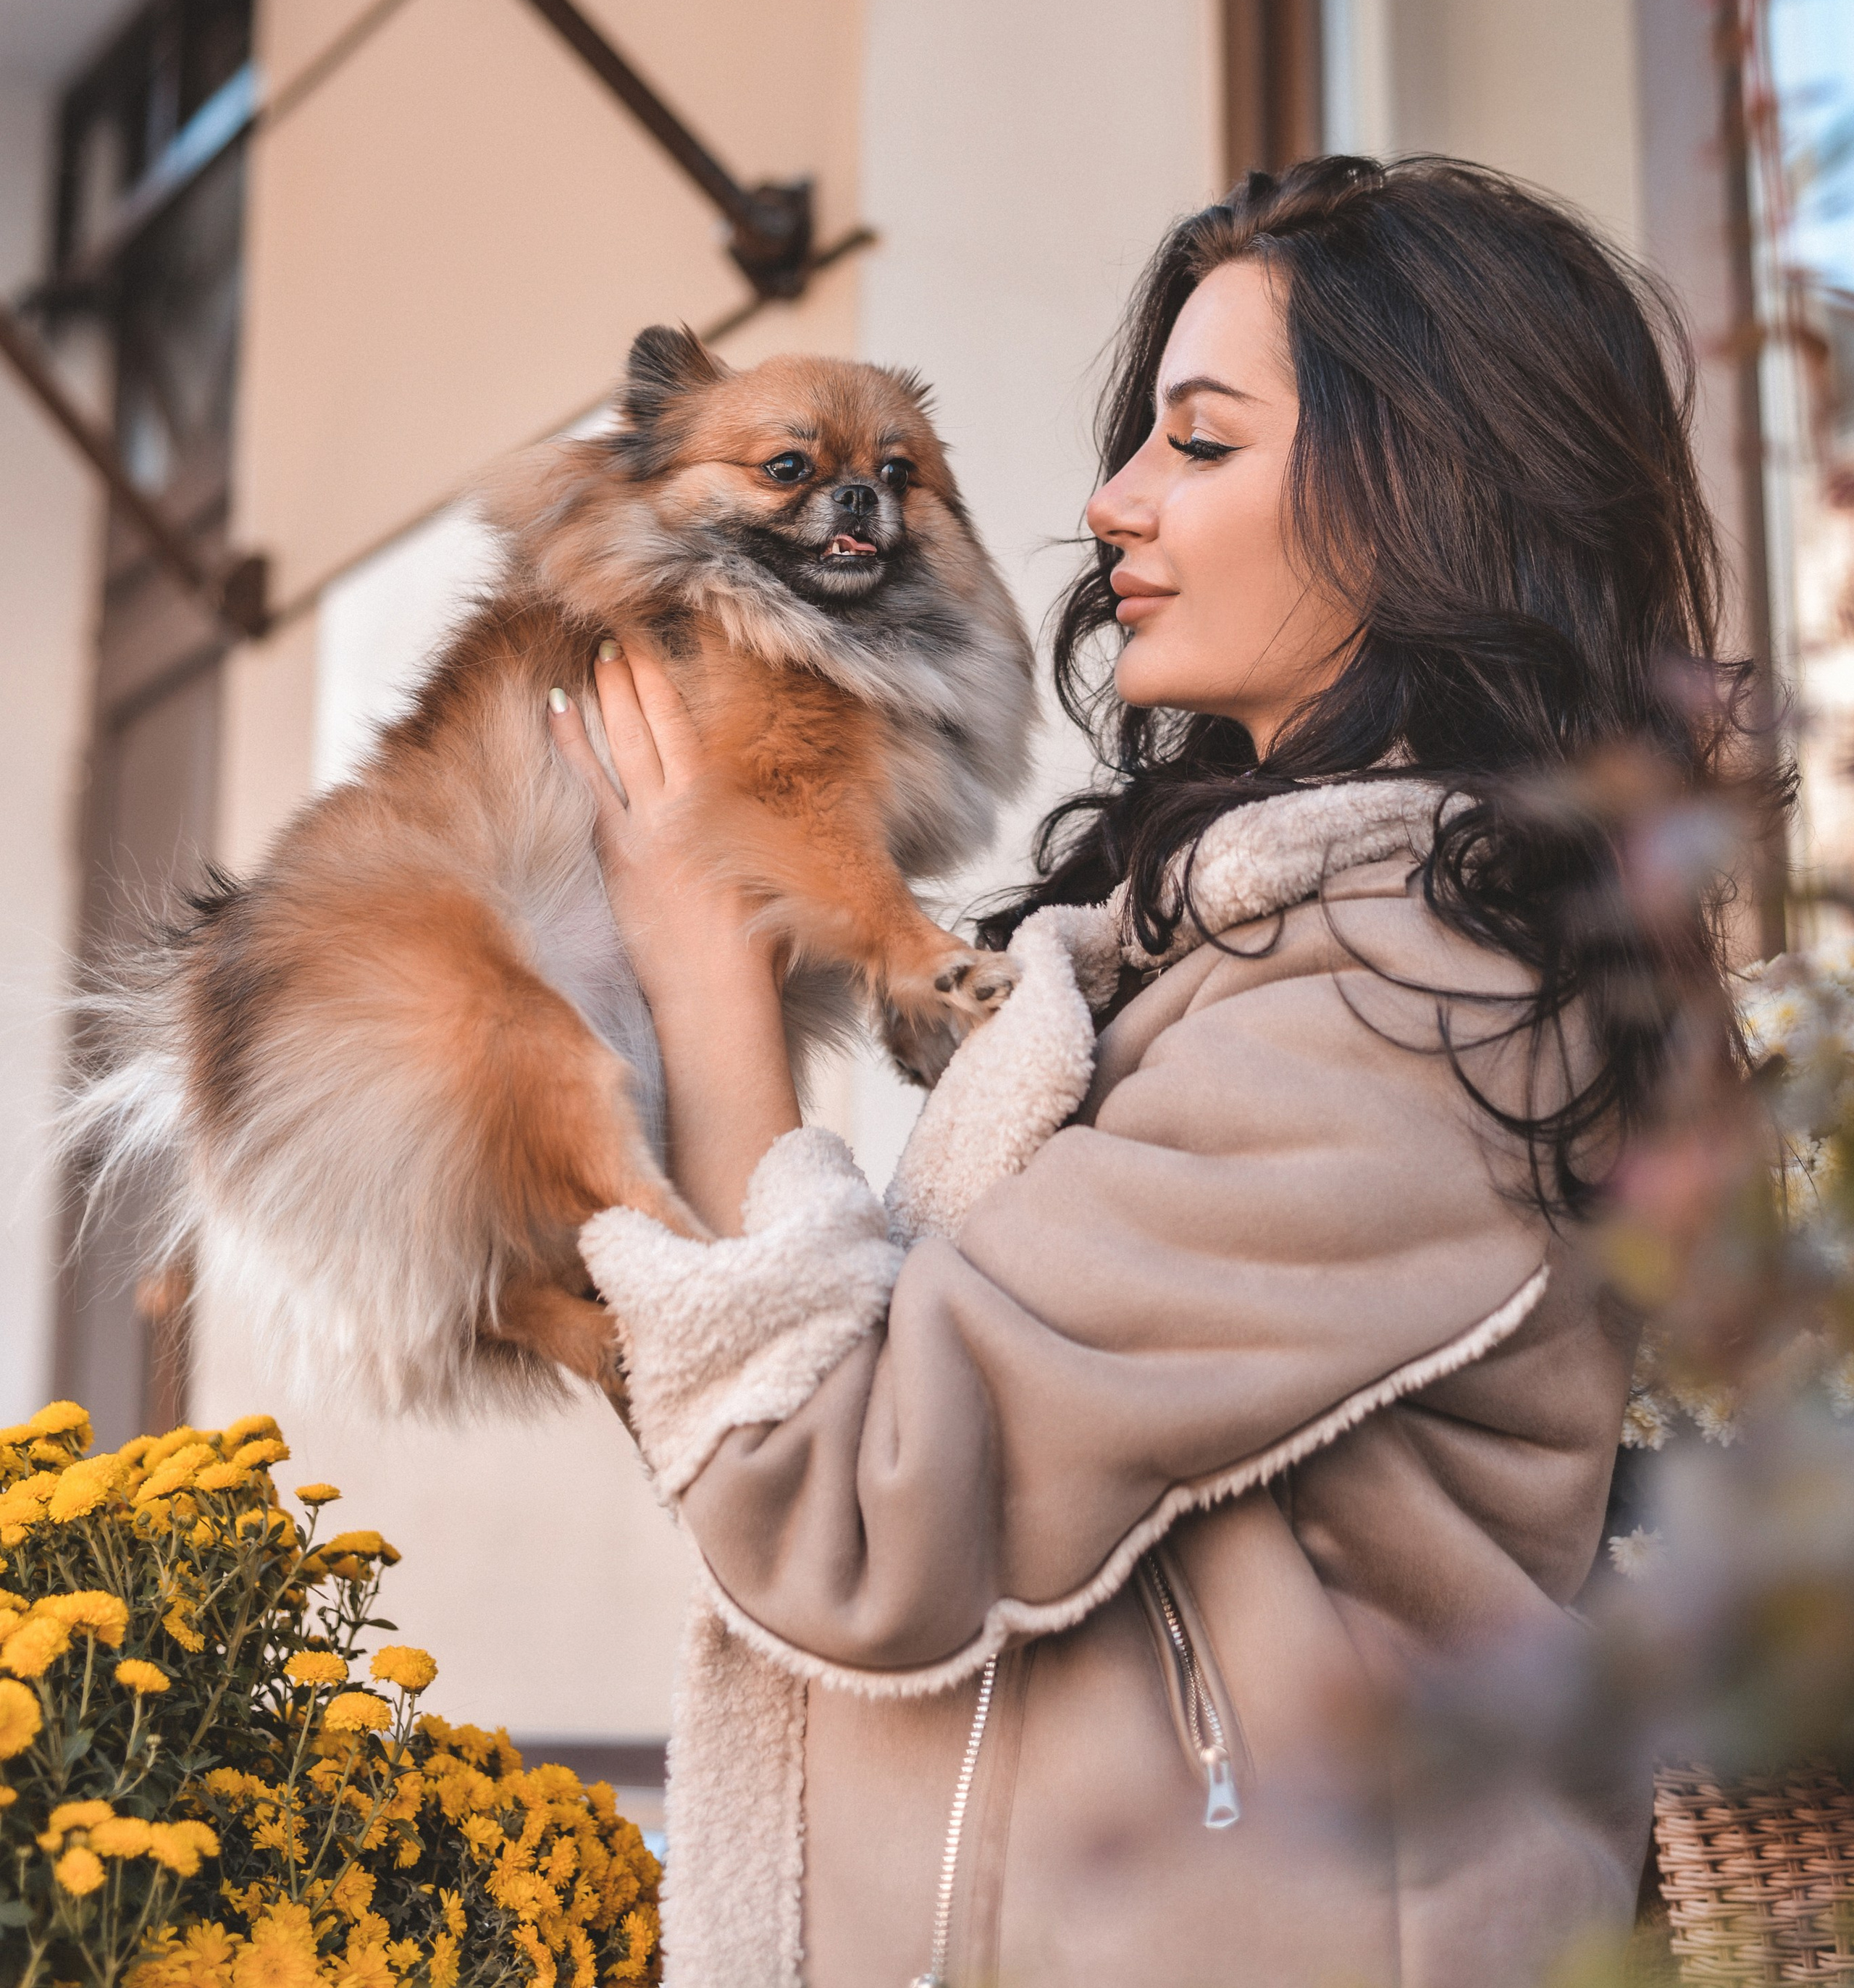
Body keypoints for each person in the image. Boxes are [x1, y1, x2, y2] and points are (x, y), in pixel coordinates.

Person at [548, 155, 1762, 1988]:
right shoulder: (1227, 954)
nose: (1108, 501)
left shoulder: (1405, 1002)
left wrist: (707, 989)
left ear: (1421, 489)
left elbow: (862, 1512)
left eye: (1199, 445)